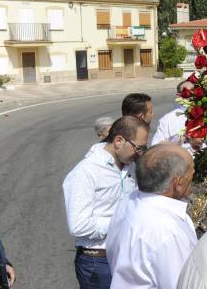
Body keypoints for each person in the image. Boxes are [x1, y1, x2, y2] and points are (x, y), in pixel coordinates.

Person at [63, 116, 149, 289]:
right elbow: (78, 225)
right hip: (98, 262)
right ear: (119, 141)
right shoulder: (85, 172)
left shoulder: (129, 167)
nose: (140, 153)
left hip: (126, 256)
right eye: (138, 148)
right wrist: (124, 221)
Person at [107, 145, 197, 288]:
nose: (192, 181)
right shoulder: (168, 231)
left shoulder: (128, 200)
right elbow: (184, 284)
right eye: (192, 175)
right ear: (178, 183)